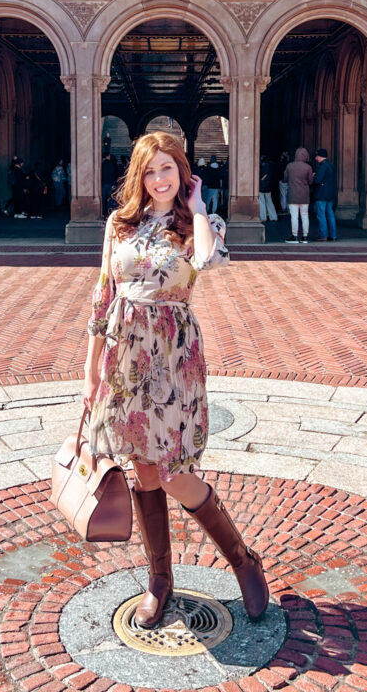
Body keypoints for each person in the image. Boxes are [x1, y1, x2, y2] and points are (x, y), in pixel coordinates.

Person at [83, 131, 269, 628]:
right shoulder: (119, 226)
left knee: (172, 473)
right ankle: (159, 580)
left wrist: (200, 204)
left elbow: (209, 260)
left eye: (167, 168)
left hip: (173, 356)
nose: (159, 179)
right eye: (149, 170)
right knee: (143, 470)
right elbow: (103, 297)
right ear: (138, 177)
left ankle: (242, 560)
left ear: (182, 172)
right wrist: (89, 371)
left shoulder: (197, 227)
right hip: (124, 358)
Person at [284, 147, 314, 244]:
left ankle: (294, 236)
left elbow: (285, 179)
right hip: (304, 195)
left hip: (293, 195)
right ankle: (305, 237)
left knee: (294, 217)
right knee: (305, 216)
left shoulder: (290, 166)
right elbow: (310, 182)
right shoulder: (308, 167)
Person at [313, 148, 337, 242]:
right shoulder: (330, 165)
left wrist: (313, 176)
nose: (315, 158)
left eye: (317, 156)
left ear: (320, 156)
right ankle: (333, 235)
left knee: (321, 215)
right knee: (330, 215)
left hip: (321, 194)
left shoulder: (322, 167)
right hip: (330, 194)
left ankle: (323, 235)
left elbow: (318, 180)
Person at [258, 156, 276, 222]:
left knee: (262, 202)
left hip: (261, 187)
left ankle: (263, 217)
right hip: (268, 187)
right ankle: (273, 216)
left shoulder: (261, 167)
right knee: (269, 202)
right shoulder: (270, 167)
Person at [101, 151, 116, 216]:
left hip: (104, 183)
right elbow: (113, 173)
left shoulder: (102, 164)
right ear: (107, 156)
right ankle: (108, 212)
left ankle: (104, 212)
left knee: (104, 198)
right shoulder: (111, 164)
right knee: (109, 199)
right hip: (109, 183)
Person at [277, 151, 289, 216]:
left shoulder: (283, 162)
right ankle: (287, 208)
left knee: (283, 195)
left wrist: (284, 179)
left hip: (283, 180)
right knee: (287, 195)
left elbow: (284, 171)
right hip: (287, 180)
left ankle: (284, 208)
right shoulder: (288, 162)